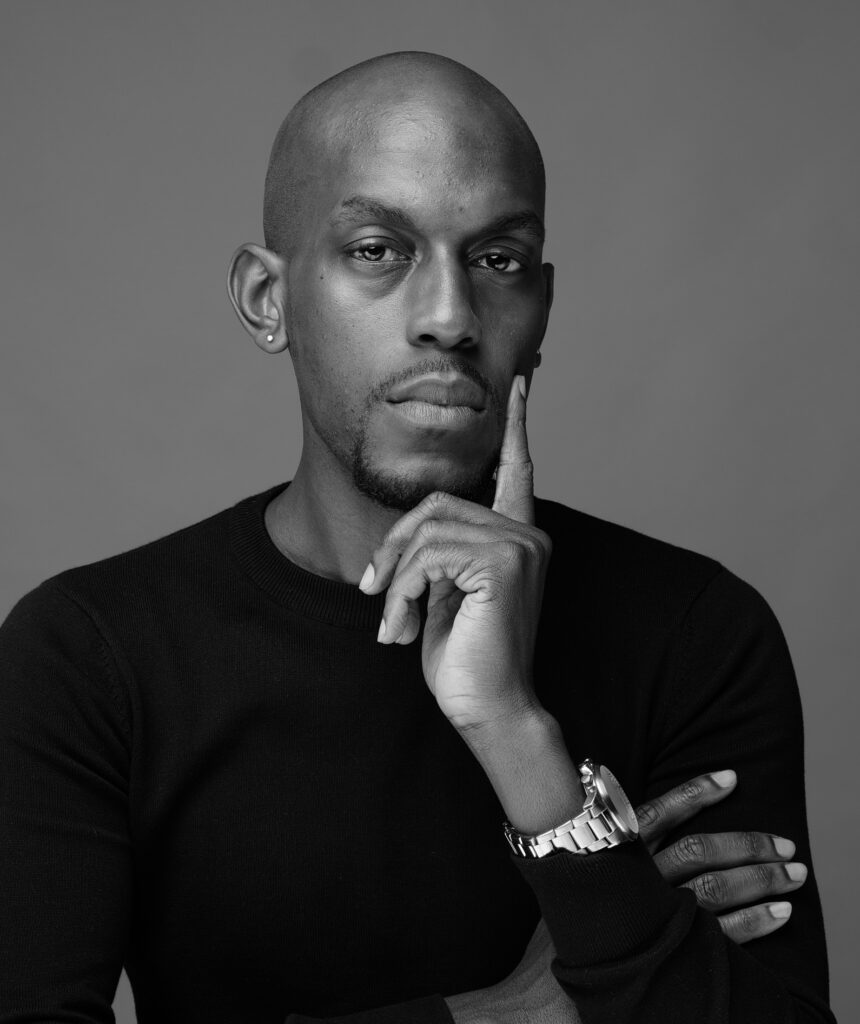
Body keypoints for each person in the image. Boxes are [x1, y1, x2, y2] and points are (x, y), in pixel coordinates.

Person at [0, 51, 833, 1024]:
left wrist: (516, 735)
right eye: (375, 250)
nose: (448, 317)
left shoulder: (695, 631)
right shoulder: (88, 651)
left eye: (497, 259)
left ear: (541, 309)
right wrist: (511, 1014)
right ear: (268, 300)